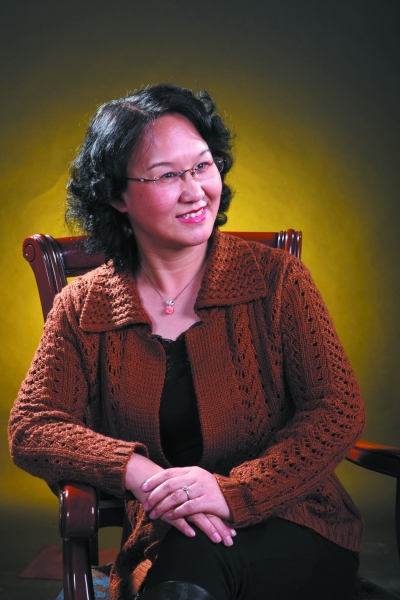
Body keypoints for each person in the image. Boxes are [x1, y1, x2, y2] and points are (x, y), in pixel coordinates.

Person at [9, 84, 365, 600]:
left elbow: (337, 410)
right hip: (169, 535)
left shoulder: (277, 280)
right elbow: (32, 427)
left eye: (202, 165)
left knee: (191, 558)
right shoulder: (83, 306)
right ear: (116, 195)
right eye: (167, 175)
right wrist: (137, 472)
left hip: (297, 523)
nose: (195, 190)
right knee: (187, 553)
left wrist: (232, 492)